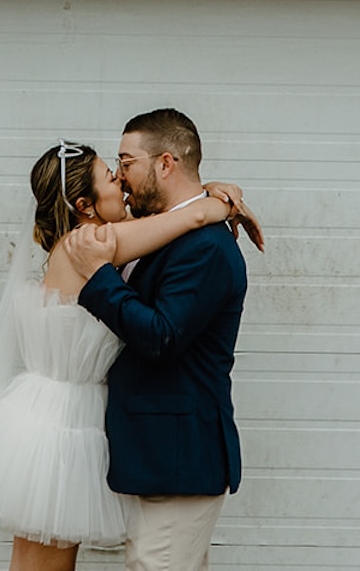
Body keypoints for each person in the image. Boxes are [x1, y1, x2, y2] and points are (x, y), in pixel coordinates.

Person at [0, 140, 262, 571]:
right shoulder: (88, 244)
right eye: (112, 176)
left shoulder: (101, 242)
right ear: (84, 204)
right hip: (60, 425)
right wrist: (216, 203)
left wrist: (210, 190)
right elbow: (192, 216)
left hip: (66, 417)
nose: (122, 183)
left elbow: (172, 218)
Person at [65, 109, 247, 571]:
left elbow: (163, 336)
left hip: (179, 459)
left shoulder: (205, 246)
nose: (121, 178)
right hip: (161, 458)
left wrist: (99, 279)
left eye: (126, 163)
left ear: (165, 164)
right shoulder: (174, 230)